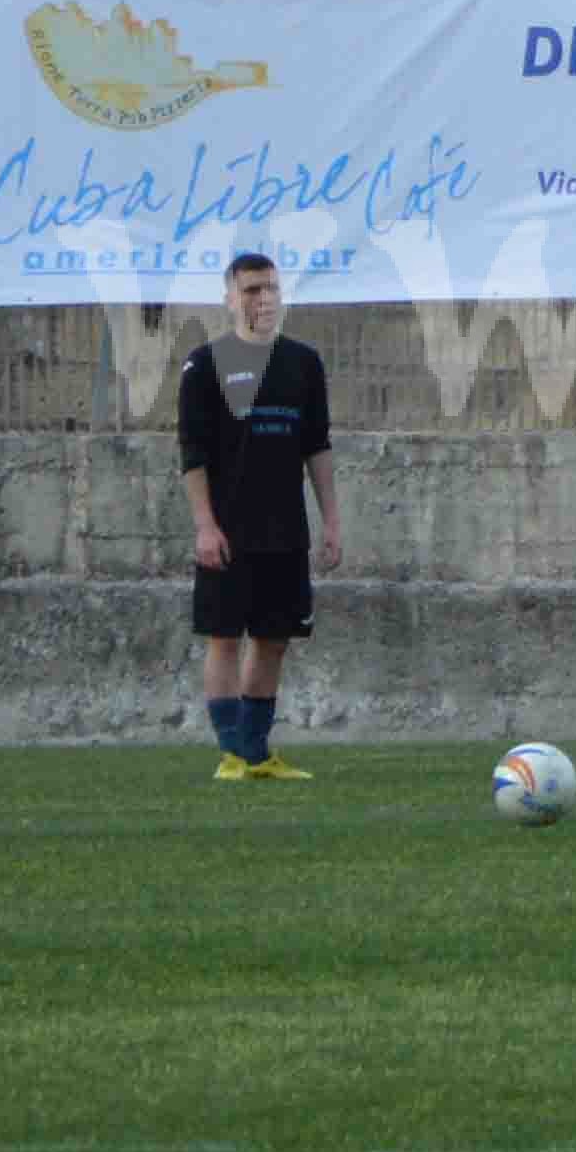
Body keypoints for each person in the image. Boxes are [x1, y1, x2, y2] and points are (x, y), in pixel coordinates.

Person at [176, 250, 339, 782]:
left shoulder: (303, 363)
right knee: (225, 637)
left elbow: (317, 446)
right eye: (251, 289)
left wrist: (332, 522)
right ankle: (230, 754)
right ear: (230, 297)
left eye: (269, 288)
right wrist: (205, 524)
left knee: (274, 639)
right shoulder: (204, 365)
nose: (263, 298)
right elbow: (192, 454)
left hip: (285, 528)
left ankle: (256, 752)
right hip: (228, 528)